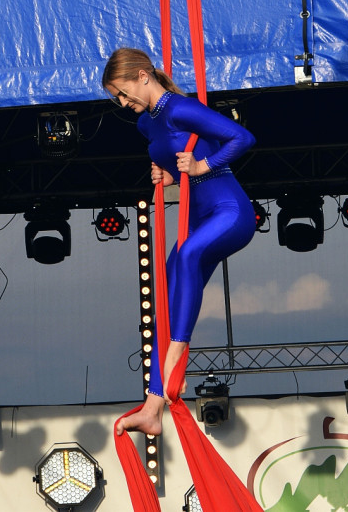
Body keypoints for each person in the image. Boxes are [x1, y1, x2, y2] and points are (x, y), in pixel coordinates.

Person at [103, 47, 257, 436]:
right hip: (199, 216)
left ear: (142, 75)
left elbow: (241, 137)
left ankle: (177, 356)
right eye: (116, 98)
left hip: (230, 213)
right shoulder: (147, 125)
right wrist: (170, 176)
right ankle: (154, 407)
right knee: (164, 303)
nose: (123, 103)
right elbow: (179, 156)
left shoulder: (180, 109)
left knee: (188, 253)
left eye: (123, 93)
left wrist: (204, 166)